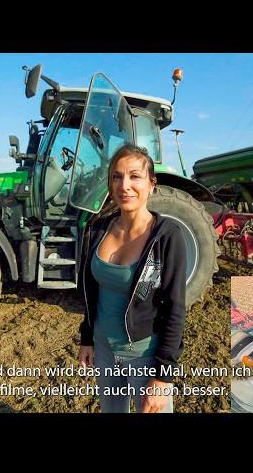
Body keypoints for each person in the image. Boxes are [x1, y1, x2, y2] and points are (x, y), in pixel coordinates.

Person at [77, 144, 187, 413]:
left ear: (151, 184)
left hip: (144, 355)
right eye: (116, 176)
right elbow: (91, 291)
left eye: (134, 176)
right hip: (104, 349)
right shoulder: (98, 228)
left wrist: (162, 378)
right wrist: (87, 338)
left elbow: (175, 309)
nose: (124, 185)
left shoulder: (167, 236)